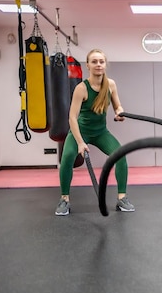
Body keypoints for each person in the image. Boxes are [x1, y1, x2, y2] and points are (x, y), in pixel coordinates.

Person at [55, 48, 135, 216]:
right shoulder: (81, 88)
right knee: (67, 157)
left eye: (101, 61)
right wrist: (80, 142)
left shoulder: (111, 84)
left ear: (105, 65)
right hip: (80, 131)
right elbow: (72, 118)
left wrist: (120, 112)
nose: (98, 65)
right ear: (88, 65)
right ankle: (64, 199)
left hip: (100, 132)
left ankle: (122, 198)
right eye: (94, 62)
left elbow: (117, 105)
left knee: (120, 156)